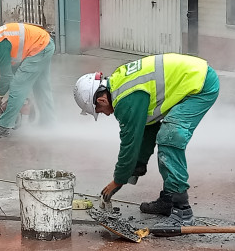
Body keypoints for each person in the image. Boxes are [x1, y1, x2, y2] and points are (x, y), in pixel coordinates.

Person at [73, 53, 220, 226]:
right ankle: (168, 200)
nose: (105, 114)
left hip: (200, 85)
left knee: (169, 137)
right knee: (164, 133)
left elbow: (130, 142)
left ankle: (182, 211)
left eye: (99, 110)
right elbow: (148, 127)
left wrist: (118, 180)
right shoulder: (119, 83)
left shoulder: (125, 100)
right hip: (196, 77)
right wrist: (138, 165)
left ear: (101, 99)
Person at [0, 23, 56, 138]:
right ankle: (49, 124)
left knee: (17, 86)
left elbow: (7, 77)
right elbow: (12, 69)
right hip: (45, 43)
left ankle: (3, 127)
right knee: (41, 87)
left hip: (39, 47)